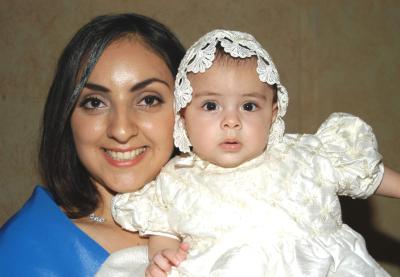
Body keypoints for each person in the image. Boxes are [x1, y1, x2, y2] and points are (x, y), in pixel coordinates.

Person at [98, 29, 400, 276]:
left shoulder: (306, 155)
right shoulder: (176, 178)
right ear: (183, 117)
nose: (231, 121)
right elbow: (162, 227)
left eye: (249, 106)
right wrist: (162, 255)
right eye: (211, 106)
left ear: (273, 112)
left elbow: (367, 174)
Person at [0, 13, 185, 276]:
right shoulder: (24, 248)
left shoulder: (232, 219)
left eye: (148, 100)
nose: (121, 130)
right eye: (95, 102)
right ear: (66, 117)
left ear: (185, 109)